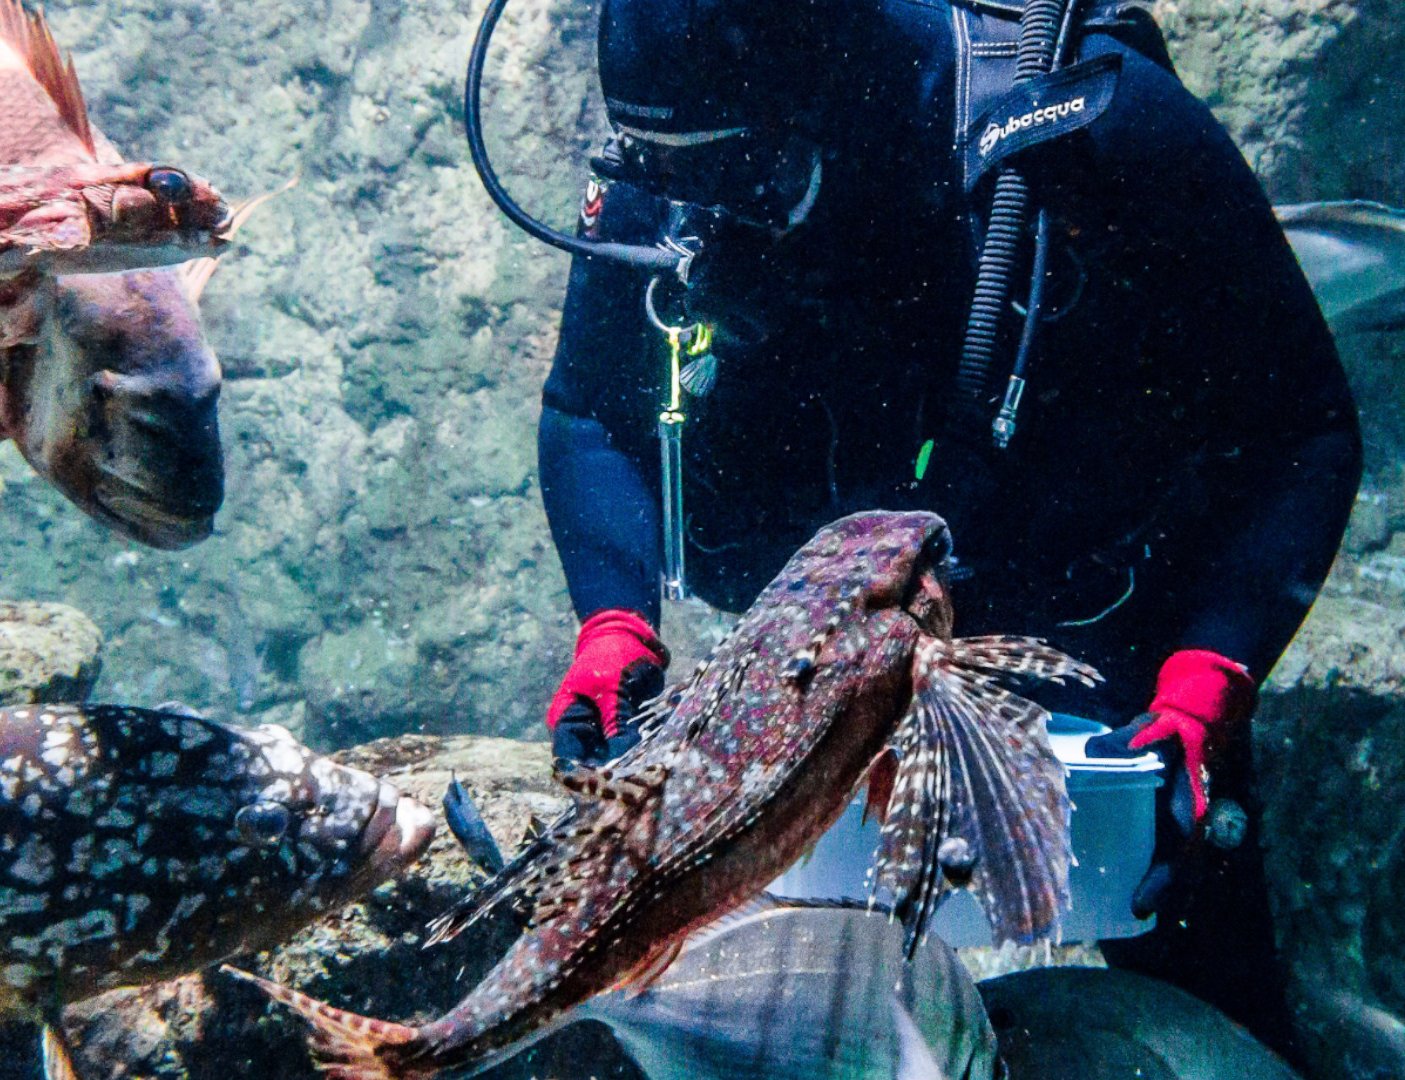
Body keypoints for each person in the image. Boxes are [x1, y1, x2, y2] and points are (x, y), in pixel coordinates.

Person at [532, 0, 1361, 1059]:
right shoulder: (677, 171)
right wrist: (613, 621)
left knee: (1214, 1010)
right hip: (828, 664)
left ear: (832, 95)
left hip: (1110, 640)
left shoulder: (1100, 128)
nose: (703, 212)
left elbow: (1303, 425)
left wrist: (1215, 669)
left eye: (744, 172)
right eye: (666, 169)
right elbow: (589, 409)